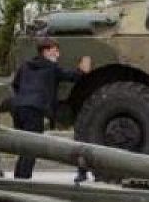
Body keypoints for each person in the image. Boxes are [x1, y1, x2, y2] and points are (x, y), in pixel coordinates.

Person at [9, 39, 91, 179]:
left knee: (24, 146)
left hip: (18, 108)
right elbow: (73, 76)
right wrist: (83, 69)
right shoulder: (51, 67)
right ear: (46, 51)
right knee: (32, 147)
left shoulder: (25, 66)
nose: (58, 54)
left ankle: (19, 177)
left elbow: (15, 85)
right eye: (55, 50)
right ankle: (23, 180)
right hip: (35, 110)